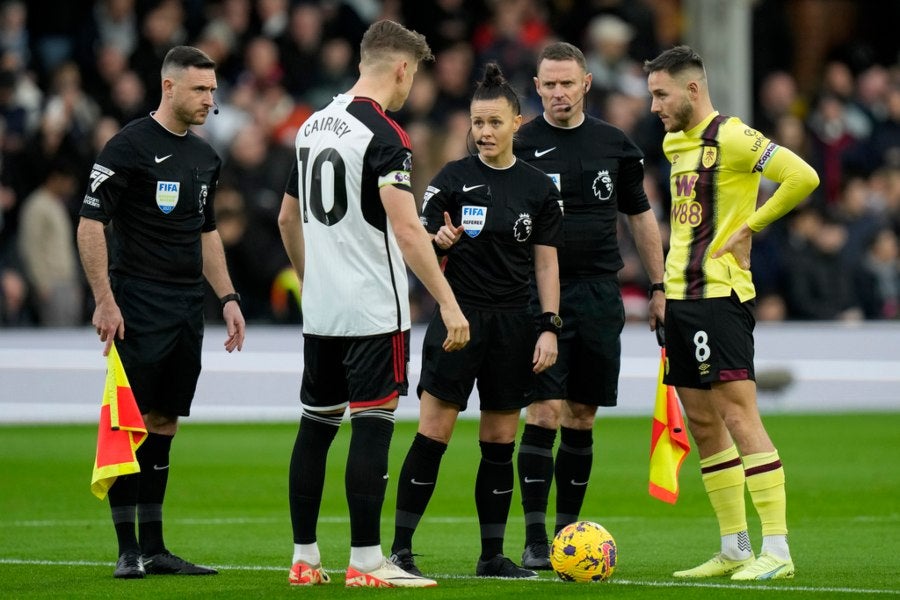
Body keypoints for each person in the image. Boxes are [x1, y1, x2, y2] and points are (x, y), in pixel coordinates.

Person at [277, 20, 469, 589]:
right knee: (373, 424)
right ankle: (366, 561)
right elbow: (408, 229)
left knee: (315, 427)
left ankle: (305, 558)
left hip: (323, 310)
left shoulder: (312, 125)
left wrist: (313, 280)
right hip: (373, 309)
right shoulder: (384, 134)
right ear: (403, 68)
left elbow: (288, 217)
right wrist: (449, 305)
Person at [644, 45, 819, 581]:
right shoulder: (675, 143)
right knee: (702, 423)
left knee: (740, 417)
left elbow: (802, 177)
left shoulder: (737, 137)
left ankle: (779, 550)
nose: (654, 107)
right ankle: (735, 546)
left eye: (661, 94)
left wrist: (752, 226)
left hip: (720, 297)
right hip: (681, 299)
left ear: (692, 89)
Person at [389, 62, 563, 580]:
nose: (483, 132)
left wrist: (549, 324)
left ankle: (491, 555)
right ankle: (399, 550)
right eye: (477, 123)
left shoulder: (537, 188)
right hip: (458, 320)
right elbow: (416, 241)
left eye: (494, 122)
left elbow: (547, 261)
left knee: (499, 442)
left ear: (517, 123)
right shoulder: (451, 180)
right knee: (433, 434)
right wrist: (438, 244)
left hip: (515, 325)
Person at [77, 45, 246, 579]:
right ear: (169, 87)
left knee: (165, 421)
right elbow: (90, 223)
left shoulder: (205, 157)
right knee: (130, 424)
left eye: (213, 90)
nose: (210, 101)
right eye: (200, 90)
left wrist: (228, 297)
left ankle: (155, 546)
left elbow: (207, 231)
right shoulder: (126, 146)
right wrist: (105, 299)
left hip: (184, 308)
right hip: (136, 303)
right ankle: (128, 550)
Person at [511, 41, 665, 570]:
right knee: (544, 410)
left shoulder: (614, 144)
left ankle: (565, 536)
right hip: (537, 296)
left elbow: (640, 218)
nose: (557, 92)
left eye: (566, 83)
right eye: (548, 84)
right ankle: (534, 539)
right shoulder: (518, 144)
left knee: (581, 415)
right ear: (537, 88)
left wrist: (659, 285)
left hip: (600, 293)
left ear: (585, 85)